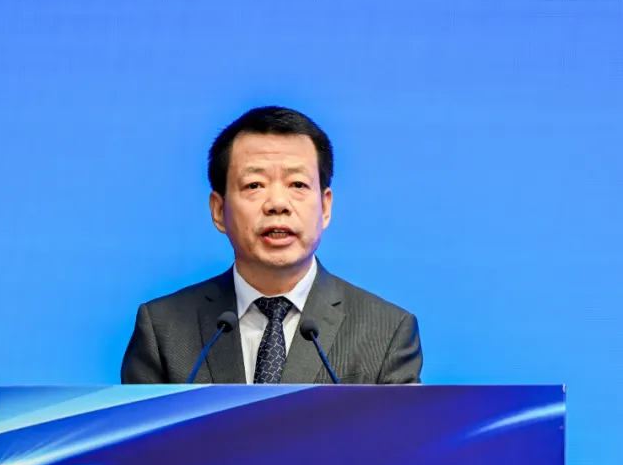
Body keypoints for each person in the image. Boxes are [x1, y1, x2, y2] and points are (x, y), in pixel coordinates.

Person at [121, 106, 422, 385]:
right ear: (219, 210)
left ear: (325, 207)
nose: (278, 203)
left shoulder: (387, 332)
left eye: (298, 185)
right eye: (254, 185)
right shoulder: (163, 329)